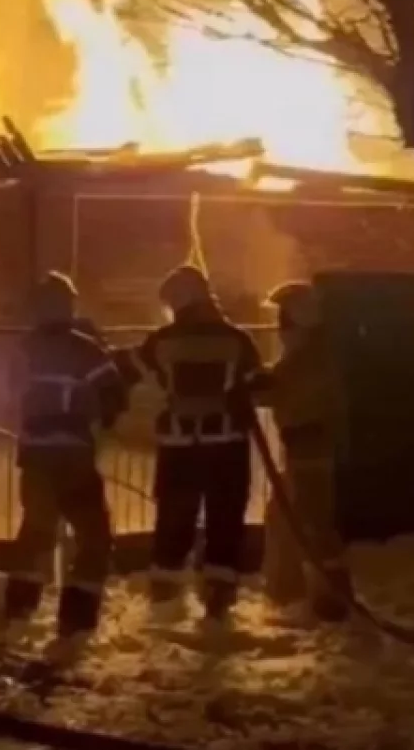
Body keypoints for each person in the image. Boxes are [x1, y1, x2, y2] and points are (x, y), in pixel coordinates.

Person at [2, 271, 127, 647]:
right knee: (94, 536)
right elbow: (114, 395)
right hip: (73, 458)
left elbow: (10, 392)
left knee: (36, 532)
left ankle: (18, 613)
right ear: (69, 306)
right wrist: (102, 421)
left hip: (34, 457)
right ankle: (76, 621)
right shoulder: (85, 349)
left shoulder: (23, 349)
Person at [136, 265, 263, 623]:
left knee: (174, 519)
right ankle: (217, 601)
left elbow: (135, 378)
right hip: (227, 446)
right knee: (225, 520)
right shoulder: (237, 340)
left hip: (178, 446)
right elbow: (257, 384)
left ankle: (165, 600)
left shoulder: (160, 342)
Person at [252, 280, 352, 622]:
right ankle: (296, 595)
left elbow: (280, 390)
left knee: (310, 524)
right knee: (286, 517)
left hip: (310, 450)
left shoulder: (308, 361)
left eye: (285, 320)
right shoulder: (309, 357)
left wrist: (256, 386)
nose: (281, 329)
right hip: (304, 449)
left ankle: (327, 599)